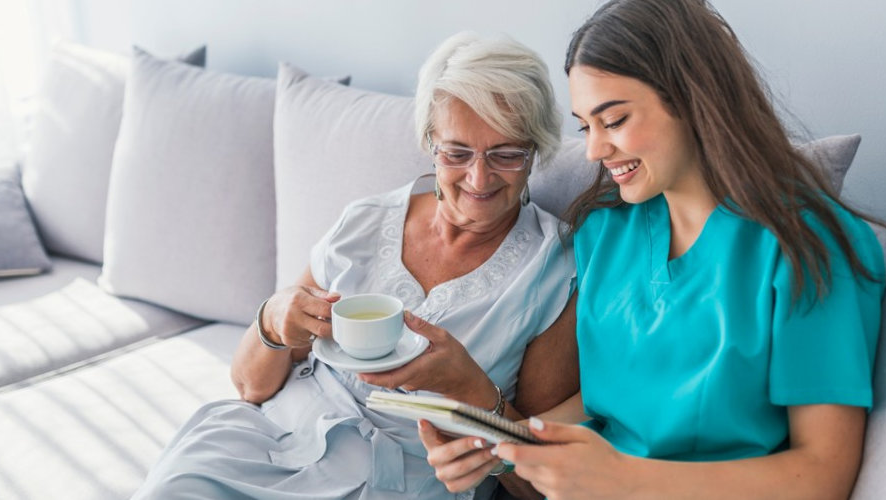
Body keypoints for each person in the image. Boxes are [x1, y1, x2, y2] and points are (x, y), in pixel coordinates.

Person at [420, 0, 886, 498]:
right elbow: (604, 402)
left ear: (693, 99)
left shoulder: (809, 246)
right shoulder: (603, 231)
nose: (593, 150)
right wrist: (499, 449)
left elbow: (824, 473)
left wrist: (627, 480)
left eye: (615, 120)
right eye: (586, 126)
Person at [128, 31, 579, 500]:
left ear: (536, 152)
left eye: (506, 154)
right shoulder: (366, 221)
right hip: (272, 442)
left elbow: (537, 485)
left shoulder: (553, 269)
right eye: (457, 152)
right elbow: (249, 388)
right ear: (430, 143)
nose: (479, 177)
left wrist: (473, 392)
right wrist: (274, 318)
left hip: (394, 481)